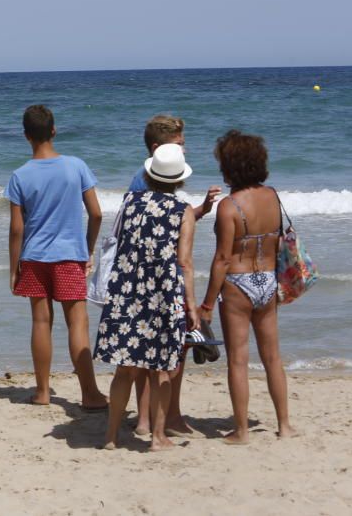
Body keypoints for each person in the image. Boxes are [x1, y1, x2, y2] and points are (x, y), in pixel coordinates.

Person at [95, 143, 199, 451]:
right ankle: (157, 437)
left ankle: (111, 436)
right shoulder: (183, 211)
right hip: (163, 293)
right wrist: (191, 305)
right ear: (179, 179)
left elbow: (118, 241)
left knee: (124, 369)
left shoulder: (130, 202)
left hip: (126, 289)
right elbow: (185, 263)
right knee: (161, 369)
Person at [5, 105, 108, 410]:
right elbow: (97, 213)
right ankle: (89, 393)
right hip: (68, 257)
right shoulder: (76, 166)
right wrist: (88, 249)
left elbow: (16, 229)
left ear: (26, 136)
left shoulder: (20, 175)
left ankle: (42, 392)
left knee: (40, 321)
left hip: (35, 257)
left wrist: (14, 268)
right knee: (77, 323)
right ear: (54, 130)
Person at [127, 115, 220, 437]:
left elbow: (158, 220)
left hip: (142, 278)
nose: (185, 149)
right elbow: (169, 229)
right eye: (179, 145)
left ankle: (146, 418)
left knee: (144, 348)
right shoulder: (146, 180)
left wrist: (201, 210)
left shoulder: (142, 181)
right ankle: (166, 416)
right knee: (171, 350)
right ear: (158, 148)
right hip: (163, 279)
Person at [200, 130, 295, 443]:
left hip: (238, 285)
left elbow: (223, 259)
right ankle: (285, 425)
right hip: (267, 280)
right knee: (272, 358)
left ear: (230, 167)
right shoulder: (273, 196)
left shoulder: (229, 207)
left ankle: (241, 431)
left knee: (238, 360)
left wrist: (207, 304)